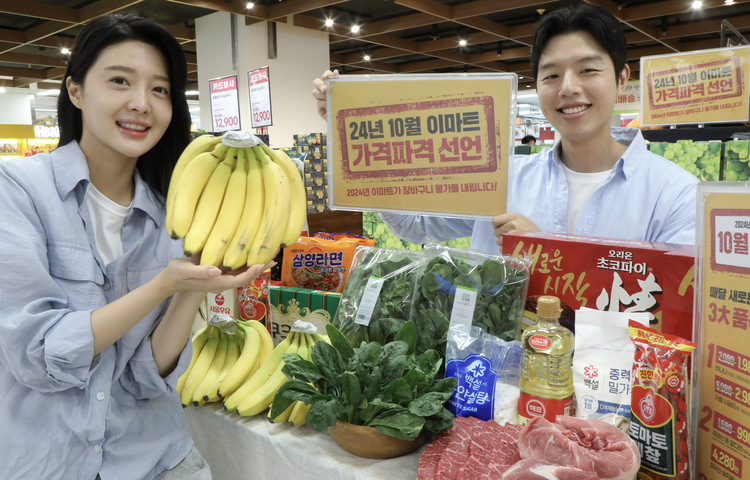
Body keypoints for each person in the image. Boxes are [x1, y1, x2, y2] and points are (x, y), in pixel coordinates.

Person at [0, 14, 267, 480]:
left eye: (160, 90)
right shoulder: (19, 189)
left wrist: (190, 288)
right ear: (76, 90)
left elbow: (148, 377)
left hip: (157, 460)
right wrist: (161, 285)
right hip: (47, 462)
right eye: (120, 81)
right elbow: (37, 354)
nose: (142, 103)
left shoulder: (175, 215)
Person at [312, 3, 698, 252]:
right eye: (551, 75)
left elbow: (676, 309)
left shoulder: (674, 194)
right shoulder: (499, 178)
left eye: (588, 70)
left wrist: (548, 251)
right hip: (499, 378)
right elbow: (415, 226)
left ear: (620, 79)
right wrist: (351, 127)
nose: (568, 88)